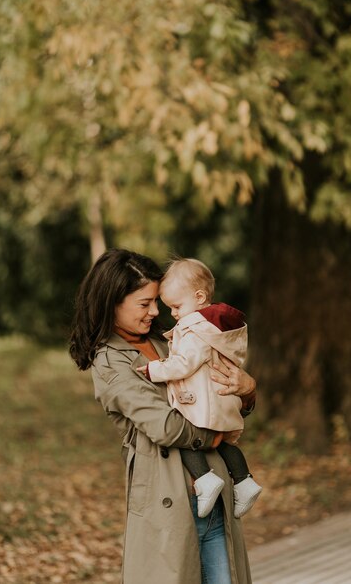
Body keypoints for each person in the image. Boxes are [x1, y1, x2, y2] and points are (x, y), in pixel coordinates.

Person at [69, 248, 257, 584]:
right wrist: (216, 436)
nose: (156, 311)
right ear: (113, 301)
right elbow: (167, 427)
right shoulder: (110, 361)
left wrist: (246, 391)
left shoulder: (170, 341)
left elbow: (214, 399)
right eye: (145, 303)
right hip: (168, 502)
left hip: (215, 494)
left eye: (157, 301)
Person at [138, 258, 262, 520]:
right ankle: (244, 480)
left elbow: (183, 364)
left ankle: (205, 480)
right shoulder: (213, 327)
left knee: (186, 441)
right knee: (224, 442)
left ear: (199, 296)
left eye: (176, 306)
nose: (171, 313)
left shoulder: (197, 330)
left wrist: (154, 370)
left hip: (203, 401)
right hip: (218, 399)